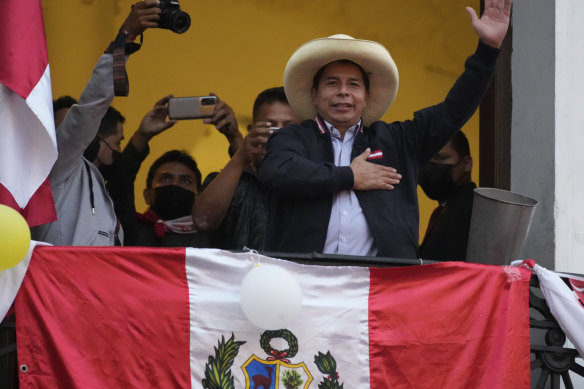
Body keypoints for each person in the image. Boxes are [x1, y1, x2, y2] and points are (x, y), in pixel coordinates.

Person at [259, 0, 511, 258]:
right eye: (332, 83)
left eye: (353, 84)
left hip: (382, 287)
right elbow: (277, 171)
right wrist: (350, 176)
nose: (343, 91)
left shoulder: (399, 141)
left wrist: (488, 50)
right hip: (305, 281)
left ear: (366, 96)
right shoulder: (292, 137)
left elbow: (455, 108)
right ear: (314, 94)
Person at [31, 0, 163, 246]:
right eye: (62, 127)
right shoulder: (54, 168)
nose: (67, 135)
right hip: (62, 282)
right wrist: (125, 37)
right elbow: (90, 108)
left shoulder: (96, 182)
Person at [193, 87, 300, 250]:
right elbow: (203, 221)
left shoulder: (313, 182)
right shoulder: (230, 181)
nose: (278, 137)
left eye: (288, 129)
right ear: (251, 131)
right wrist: (240, 157)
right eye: (269, 128)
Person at [106, 95, 210, 247]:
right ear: (148, 195)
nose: (175, 185)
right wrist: (142, 136)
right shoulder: (130, 229)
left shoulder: (211, 238)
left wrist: (233, 137)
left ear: (198, 198)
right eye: (165, 179)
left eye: (186, 181)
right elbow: (119, 181)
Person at [418, 131, 475, 261]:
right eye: (426, 159)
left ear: (467, 164)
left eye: (441, 158)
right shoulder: (447, 208)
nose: (430, 167)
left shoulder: (470, 209)